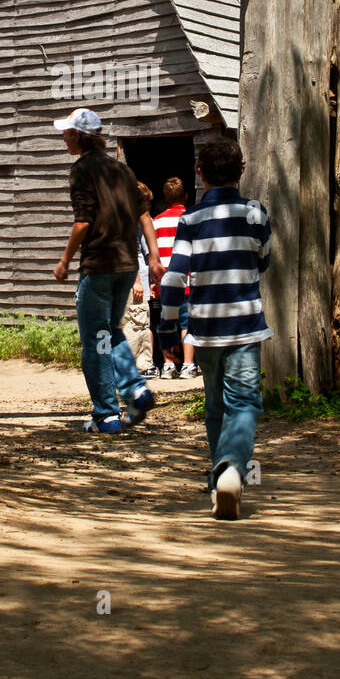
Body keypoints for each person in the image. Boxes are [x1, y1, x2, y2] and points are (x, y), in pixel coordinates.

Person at [157, 138, 272, 519]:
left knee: (215, 404)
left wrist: (169, 329)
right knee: (243, 403)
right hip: (245, 326)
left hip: (204, 331)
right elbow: (265, 260)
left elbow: (174, 279)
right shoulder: (255, 214)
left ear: (200, 174)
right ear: (242, 171)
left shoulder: (190, 221)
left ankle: (217, 477)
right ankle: (230, 471)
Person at [52, 108, 164, 434]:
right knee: (110, 332)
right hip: (127, 267)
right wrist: (154, 258)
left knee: (94, 340)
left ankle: (106, 415)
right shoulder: (124, 171)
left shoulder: (82, 171)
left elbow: (83, 221)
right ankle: (136, 390)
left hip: (99, 266)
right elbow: (145, 217)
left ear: (78, 136)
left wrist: (64, 261)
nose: (64, 137)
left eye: (67, 132)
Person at [151, 177, 196, 379]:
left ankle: (168, 366)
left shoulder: (156, 222)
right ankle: (188, 365)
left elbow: (153, 254)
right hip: (187, 280)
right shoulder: (192, 219)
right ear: (186, 196)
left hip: (165, 281)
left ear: (165, 198)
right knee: (187, 324)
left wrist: (154, 281)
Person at [120, 181, 154, 376]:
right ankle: (133, 366)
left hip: (130, 281)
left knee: (133, 322)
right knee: (137, 324)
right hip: (134, 282)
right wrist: (137, 281)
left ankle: (139, 366)